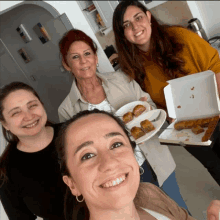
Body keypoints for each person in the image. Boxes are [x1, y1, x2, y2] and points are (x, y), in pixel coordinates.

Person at [57, 29, 189, 211]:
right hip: (117, 177)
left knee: (179, 210)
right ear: (67, 64)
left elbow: (149, 104)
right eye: (75, 57)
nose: (84, 61)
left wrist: (148, 108)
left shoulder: (121, 79)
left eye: (87, 54)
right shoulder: (66, 109)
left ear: (96, 58)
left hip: (155, 162)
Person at [112, 0, 220, 186]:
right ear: (122, 34)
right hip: (187, 129)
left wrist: (211, 103)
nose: (135, 27)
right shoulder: (132, 66)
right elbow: (156, 103)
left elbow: (216, 67)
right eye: (126, 25)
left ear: (148, 16)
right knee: (215, 166)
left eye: (138, 18)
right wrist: (167, 114)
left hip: (216, 113)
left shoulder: (180, 37)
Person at [55, 109, 220, 220]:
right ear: (72, 183)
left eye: (116, 144)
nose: (110, 163)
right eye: (87, 155)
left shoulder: (150, 193)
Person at [0, 82, 66, 220]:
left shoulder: (75, 131)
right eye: (16, 112)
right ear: (5, 123)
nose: (29, 116)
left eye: (32, 105)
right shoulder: (6, 173)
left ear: (42, 105)